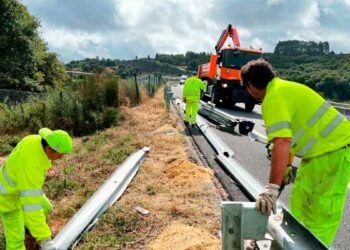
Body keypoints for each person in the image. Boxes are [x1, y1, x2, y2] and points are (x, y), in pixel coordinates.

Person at [240, 59, 350, 246]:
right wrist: (287, 166)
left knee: (319, 216)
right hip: (317, 155)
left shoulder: (273, 98)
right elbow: (287, 138)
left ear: (250, 85)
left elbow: (282, 142)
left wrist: (272, 189)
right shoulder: (281, 90)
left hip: (334, 153)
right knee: (301, 206)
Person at [0, 128, 73, 250]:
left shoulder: (34, 139)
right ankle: (25, 230)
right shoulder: (31, 170)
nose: (61, 157)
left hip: (20, 185)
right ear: (48, 149)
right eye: (60, 154)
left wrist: (46, 167)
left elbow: (34, 158)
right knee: (16, 242)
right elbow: (32, 208)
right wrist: (46, 241)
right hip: (7, 199)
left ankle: (29, 229)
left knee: (46, 207)